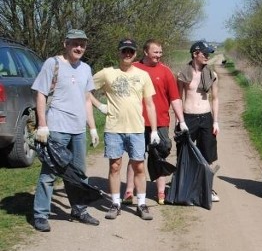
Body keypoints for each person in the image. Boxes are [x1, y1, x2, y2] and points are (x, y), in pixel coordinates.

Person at [31, 29, 100, 232]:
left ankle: (79, 210)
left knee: (79, 173)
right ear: (65, 44)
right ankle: (41, 215)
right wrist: (43, 125)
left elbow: (87, 99)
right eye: (75, 44)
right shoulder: (53, 64)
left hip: (78, 130)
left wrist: (93, 128)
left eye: (82, 44)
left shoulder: (86, 68)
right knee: (50, 173)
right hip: (57, 128)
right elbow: (41, 95)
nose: (79, 48)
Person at [114, 39, 188, 205]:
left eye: (160, 52)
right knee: (135, 157)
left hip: (160, 122)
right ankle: (128, 192)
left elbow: (175, 98)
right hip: (136, 121)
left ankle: (161, 192)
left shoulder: (165, 72)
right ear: (146, 52)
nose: (158, 55)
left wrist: (181, 120)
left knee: (160, 156)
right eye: (155, 52)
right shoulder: (134, 69)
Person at [93, 38, 158, 221]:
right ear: (119, 53)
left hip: (136, 128)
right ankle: (115, 203)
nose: (127, 54)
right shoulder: (107, 73)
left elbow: (150, 104)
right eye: (124, 51)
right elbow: (85, 88)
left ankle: (142, 204)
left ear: (135, 54)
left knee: (138, 165)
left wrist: (153, 130)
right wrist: (100, 106)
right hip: (114, 128)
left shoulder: (143, 75)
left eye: (130, 51)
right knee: (115, 166)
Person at [177, 41, 221, 202]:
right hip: (188, 117)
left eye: (208, 53)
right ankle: (183, 188)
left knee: (207, 155)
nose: (207, 56)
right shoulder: (182, 74)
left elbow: (215, 99)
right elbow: (178, 98)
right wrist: (179, 120)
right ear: (195, 54)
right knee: (184, 154)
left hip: (206, 117)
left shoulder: (212, 75)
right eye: (204, 53)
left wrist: (215, 121)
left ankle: (208, 188)